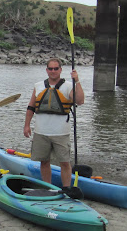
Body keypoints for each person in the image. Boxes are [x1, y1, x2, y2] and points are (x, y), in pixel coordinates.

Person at [23, 58, 84, 193]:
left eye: (56, 68)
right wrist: (27, 125)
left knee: (65, 162)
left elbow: (80, 101)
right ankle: (47, 188)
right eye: (50, 69)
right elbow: (31, 107)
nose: (53, 71)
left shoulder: (69, 86)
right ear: (47, 70)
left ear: (60, 70)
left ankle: (66, 189)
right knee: (44, 162)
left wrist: (77, 81)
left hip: (61, 133)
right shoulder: (38, 85)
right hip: (41, 132)